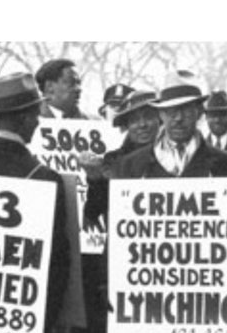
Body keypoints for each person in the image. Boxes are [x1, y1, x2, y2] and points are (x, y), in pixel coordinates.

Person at [0, 72, 71, 333]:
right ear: (23, 117)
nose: (37, 123)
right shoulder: (45, 178)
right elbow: (57, 266)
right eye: (35, 115)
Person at [80, 89, 161, 333]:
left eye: (148, 116)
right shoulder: (112, 161)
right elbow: (93, 216)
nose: (142, 124)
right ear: (126, 125)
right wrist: (95, 181)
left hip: (166, 262)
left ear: (160, 119)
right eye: (134, 119)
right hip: (122, 263)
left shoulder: (174, 158)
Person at [114, 79, 227, 178]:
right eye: (171, 111)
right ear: (161, 114)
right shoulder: (130, 165)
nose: (178, 118)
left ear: (199, 112)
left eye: (186, 109)